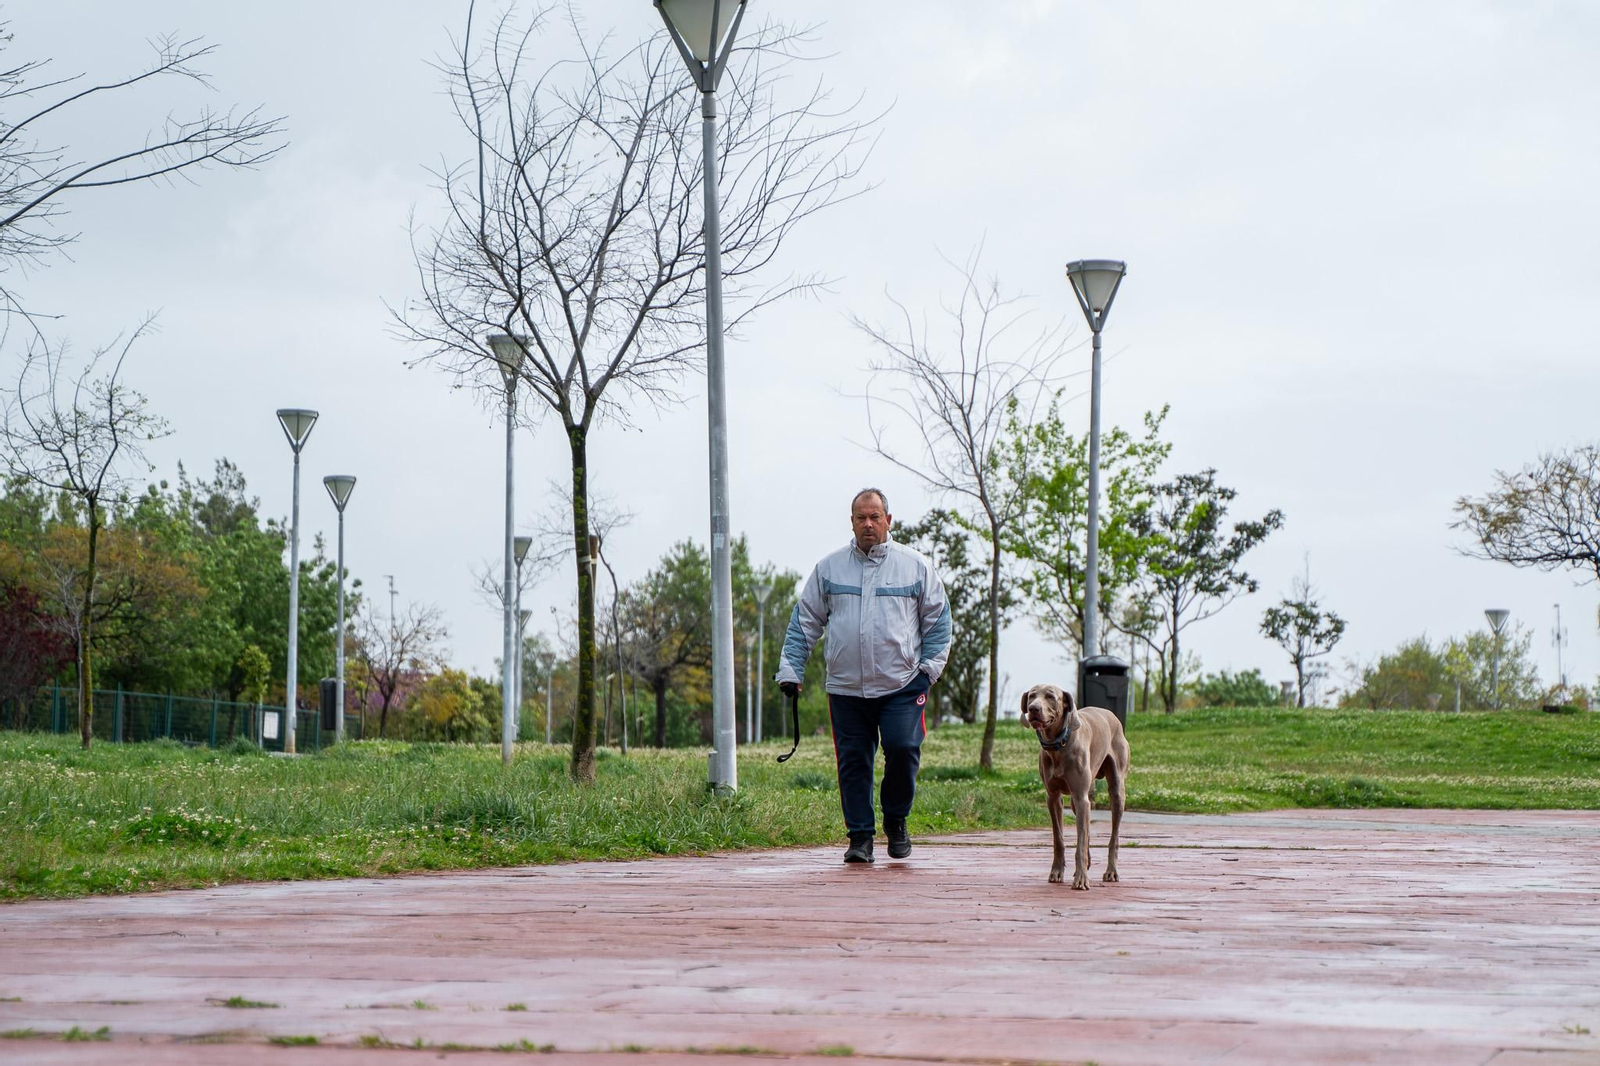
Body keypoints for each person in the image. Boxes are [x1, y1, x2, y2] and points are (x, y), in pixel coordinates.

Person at [775, 488, 950, 864]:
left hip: (903, 684)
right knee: (853, 762)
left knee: (903, 749)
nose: (868, 524)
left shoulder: (916, 566)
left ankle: (897, 819)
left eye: (875, 517)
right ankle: (860, 838)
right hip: (846, 687)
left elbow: (938, 623)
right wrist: (791, 669)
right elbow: (804, 621)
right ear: (851, 522)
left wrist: (927, 673)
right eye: (860, 518)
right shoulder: (829, 568)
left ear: (889, 520)